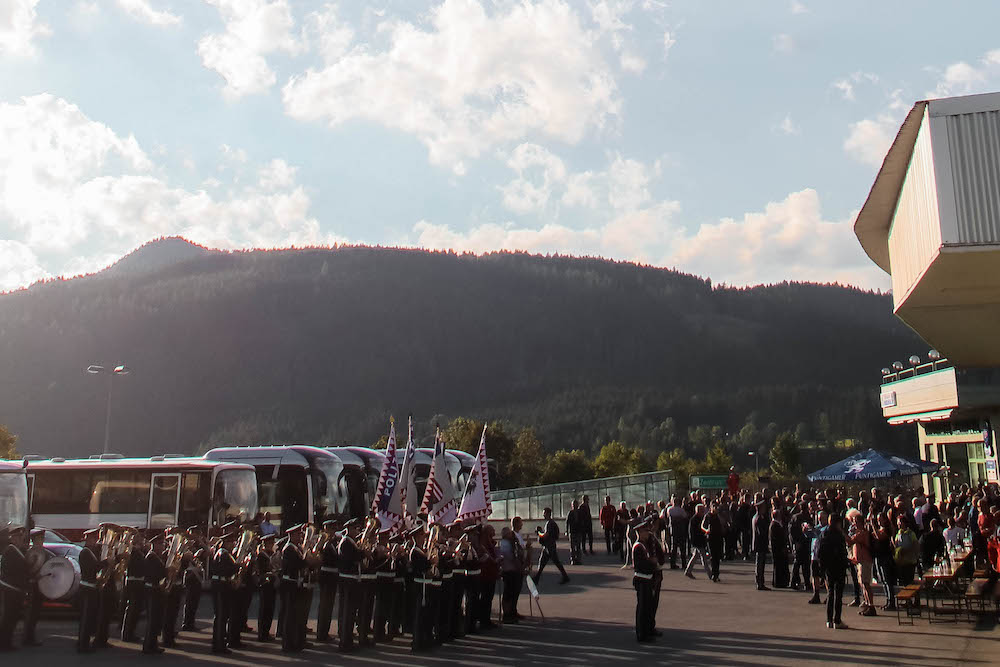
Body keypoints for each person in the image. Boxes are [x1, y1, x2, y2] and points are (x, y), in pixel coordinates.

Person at [819, 514, 850, 629]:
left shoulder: (824, 534)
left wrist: (822, 569)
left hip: (828, 567)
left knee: (830, 593)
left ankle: (829, 620)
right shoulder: (839, 535)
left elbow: (821, 552)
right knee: (838, 595)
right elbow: (842, 551)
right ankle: (837, 619)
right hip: (839, 566)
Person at [632, 519, 661, 642]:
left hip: (648, 579)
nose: (647, 534)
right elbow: (640, 566)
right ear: (639, 532)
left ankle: (648, 630)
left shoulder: (646, 544)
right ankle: (641, 633)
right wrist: (652, 564)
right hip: (642, 579)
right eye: (645, 531)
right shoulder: (639, 546)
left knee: (649, 607)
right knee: (643, 608)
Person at [0, 527, 27, 650]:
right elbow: (18, 570)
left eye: (22, 537)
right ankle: (4, 643)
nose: (22, 540)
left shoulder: (16, 550)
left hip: (15, 589)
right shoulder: (11, 551)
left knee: (13, 617)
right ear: (13, 539)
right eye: (19, 538)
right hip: (10, 589)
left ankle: (7, 642)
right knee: (9, 617)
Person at [210, 533, 238, 655]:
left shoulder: (226, 554)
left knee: (223, 616)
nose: (233, 544)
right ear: (226, 543)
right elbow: (224, 570)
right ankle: (218, 645)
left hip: (223, 585)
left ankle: (220, 642)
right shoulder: (223, 553)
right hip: (220, 586)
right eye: (231, 542)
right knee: (220, 616)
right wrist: (238, 567)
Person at [77, 528, 103, 653]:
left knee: (89, 619)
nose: (95, 541)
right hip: (86, 588)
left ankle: (84, 642)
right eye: (93, 539)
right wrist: (107, 562)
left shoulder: (91, 552)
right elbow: (94, 568)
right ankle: (83, 645)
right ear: (88, 539)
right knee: (86, 619)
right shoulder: (85, 553)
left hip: (90, 588)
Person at [846, 510, 876, 617]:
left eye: (855, 522)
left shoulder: (863, 533)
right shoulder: (859, 533)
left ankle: (871, 605)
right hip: (859, 561)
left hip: (865, 560)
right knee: (863, 584)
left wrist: (842, 532)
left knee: (866, 584)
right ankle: (867, 604)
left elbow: (850, 541)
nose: (854, 524)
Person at [23, 528, 49, 647]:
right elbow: (27, 570)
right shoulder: (31, 553)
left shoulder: (43, 552)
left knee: (35, 613)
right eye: (39, 539)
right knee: (31, 613)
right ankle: (28, 638)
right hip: (33, 586)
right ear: (34, 540)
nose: (42, 541)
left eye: (42, 539)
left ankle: (30, 637)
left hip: (40, 586)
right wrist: (34, 576)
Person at [142, 532, 167, 654]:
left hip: (155, 590)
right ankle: (148, 646)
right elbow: (154, 574)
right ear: (155, 545)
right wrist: (168, 571)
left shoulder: (156, 556)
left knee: (156, 619)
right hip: (152, 590)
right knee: (152, 619)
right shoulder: (151, 557)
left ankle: (153, 644)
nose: (163, 547)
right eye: (161, 544)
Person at [315, 521, 339, 643]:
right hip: (326, 575)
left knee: (329, 606)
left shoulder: (334, 541)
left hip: (333, 575)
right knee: (325, 606)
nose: (331, 531)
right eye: (329, 529)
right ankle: (321, 634)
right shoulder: (323, 542)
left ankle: (325, 632)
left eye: (332, 529)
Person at [121, 532, 147, 642]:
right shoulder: (133, 551)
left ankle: (129, 633)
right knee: (132, 610)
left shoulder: (136, 551)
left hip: (135, 582)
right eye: (140, 538)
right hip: (134, 582)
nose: (142, 540)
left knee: (134, 610)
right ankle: (128, 634)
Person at [533, 507, 569, 585]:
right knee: (542, 561)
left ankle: (565, 576)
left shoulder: (550, 523)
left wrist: (539, 533)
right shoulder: (550, 523)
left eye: (544, 513)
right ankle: (537, 578)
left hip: (549, 546)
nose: (543, 515)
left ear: (548, 513)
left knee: (555, 562)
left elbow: (546, 535)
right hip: (548, 546)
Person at [499, 526, 524, 623]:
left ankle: (513, 611)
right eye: (510, 533)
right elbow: (511, 557)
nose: (512, 534)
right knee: (508, 594)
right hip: (509, 570)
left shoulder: (512, 543)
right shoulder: (505, 544)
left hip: (514, 570)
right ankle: (507, 614)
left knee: (514, 593)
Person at [256, 534, 278, 642]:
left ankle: (266, 632)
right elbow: (260, 572)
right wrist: (271, 573)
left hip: (271, 585)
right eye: (270, 543)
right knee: (264, 610)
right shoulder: (261, 555)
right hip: (265, 584)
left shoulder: (271, 554)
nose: (272, 545)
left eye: (272, 543)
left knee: (270, 610)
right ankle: (262, 634)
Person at [684, 504, 712, 579]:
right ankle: (710, 574)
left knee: (695, 556)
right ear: (698, 511)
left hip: (700, 541)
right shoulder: (694, 520)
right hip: (697, 542)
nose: (703, 512)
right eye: (702, 510)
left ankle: (688, 571)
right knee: (704, 559)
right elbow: (693, 533)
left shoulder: (701, 518)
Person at [893, 516, 919, 586]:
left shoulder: (911, 533)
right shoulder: (898, 534)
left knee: (910, 581)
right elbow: (896, 546)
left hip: (910, 561)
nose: (898, 524)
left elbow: (915, 545)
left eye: (900, 522)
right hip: (901, 562)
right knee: (903, 582)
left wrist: (908, 551)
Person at [751, 499, 770, 590]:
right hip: (760, 544)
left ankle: (760, 582)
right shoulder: (759, 518)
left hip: (758, 544)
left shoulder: (755, 517)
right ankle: (760, 582)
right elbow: (761, 532)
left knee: (759, 564)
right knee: (760, 564)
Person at [769, 509, 789, 589]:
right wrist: (783, 547)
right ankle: (779, 582)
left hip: (778, 548)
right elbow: (778, 538)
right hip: (778, 548)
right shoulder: (775, 525)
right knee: (778, 566)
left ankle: (779, 581)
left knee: (779, 565)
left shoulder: (776, 524)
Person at [667, 496, 689, 570]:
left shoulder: (669, 509)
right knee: (682, 548)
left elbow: (667, 517)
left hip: (673, 531)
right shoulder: (681, 510)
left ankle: (672, 564)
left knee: (674, 548)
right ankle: (684, 564)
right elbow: (685, 517)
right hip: (681, 530)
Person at [566, 500, 584, 565]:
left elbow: (582, 521)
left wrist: (582, 530)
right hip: (572, 531)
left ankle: (579, 560)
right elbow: (567, 522)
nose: (574, 506)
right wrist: (566, 531)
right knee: (572, 547)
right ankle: (573, 560)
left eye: (575, 504)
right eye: (573, 504)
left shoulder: (580, 513)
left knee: (578, 547)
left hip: (578, 531)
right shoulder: (570, 513)